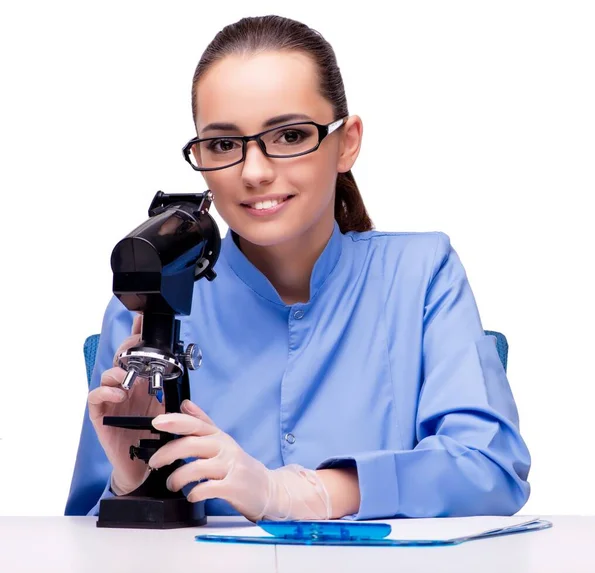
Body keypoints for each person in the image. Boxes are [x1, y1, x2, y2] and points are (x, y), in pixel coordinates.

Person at [65, 14, 531, 522]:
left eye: (289, 136)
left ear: (347, 142)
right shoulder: (149, 298)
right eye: (223, 144)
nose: (255, 172)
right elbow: (87, 540)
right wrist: (135, 479)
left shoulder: (421, 274)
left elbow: (491, 470)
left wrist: (297, 492)